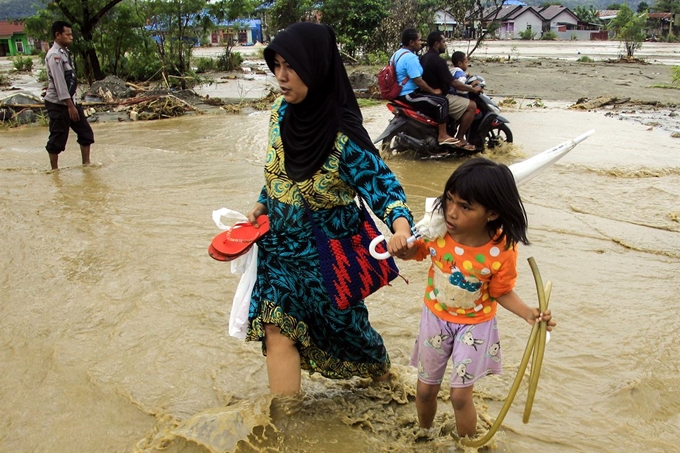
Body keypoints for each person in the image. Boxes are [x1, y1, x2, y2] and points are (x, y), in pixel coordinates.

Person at [243, 22, 414, 396]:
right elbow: (278, 167)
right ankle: (284, 426)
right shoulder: (279, 114)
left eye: (291, 67)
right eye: (276, 65)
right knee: (276, 328)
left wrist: (400, 228)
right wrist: (262, 200)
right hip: (280, 252)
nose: (281, 77)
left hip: (327, 261)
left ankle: (387, 384)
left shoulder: (342, 134)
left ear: (316, 67)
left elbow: (382, 186)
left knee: (354, 337)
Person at [393, 157, 557, 438]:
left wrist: (529, 313)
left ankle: (465, 444)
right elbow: (415, 251)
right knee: (425, 389)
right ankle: (424, 435)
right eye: (449, 200)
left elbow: (500, 292)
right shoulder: (438, 230)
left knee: (459, 396)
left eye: (465, 207)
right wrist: (400, 246)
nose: (452, 213)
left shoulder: (502, 248)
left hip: (475, 326)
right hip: (436, 320)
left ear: (491, 214)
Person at [391, 28, 458, 147]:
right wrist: (433, 91)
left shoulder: (397, 54)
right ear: (411, 42)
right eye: (419, 40)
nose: (421, 43)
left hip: (399, 93)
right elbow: (418, 81)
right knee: (442, 102)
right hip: (409, 95)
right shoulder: (410, 58)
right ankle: (442, 135)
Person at [43, 21, 94, 170]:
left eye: (71, 34)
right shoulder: (54, 56)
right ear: (57, 35)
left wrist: (73, 103)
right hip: (58, 104)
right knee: (57, 138)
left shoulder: (65, 53)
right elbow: (59, 83)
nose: (71, 37)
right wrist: (70, 106)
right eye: (68, 34)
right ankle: (54, 171)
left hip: (70, 101)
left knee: (86, 133)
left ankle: (86, 165)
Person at [421, 32, 480, 152]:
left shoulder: (424, 58)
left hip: (427, 95)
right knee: (472, 106)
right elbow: (454, 83)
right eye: (443, 42)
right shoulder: (439, 61)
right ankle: (460, 138)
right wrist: (472, 89)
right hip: (441, 96)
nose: (445, 45)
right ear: (437, 44)